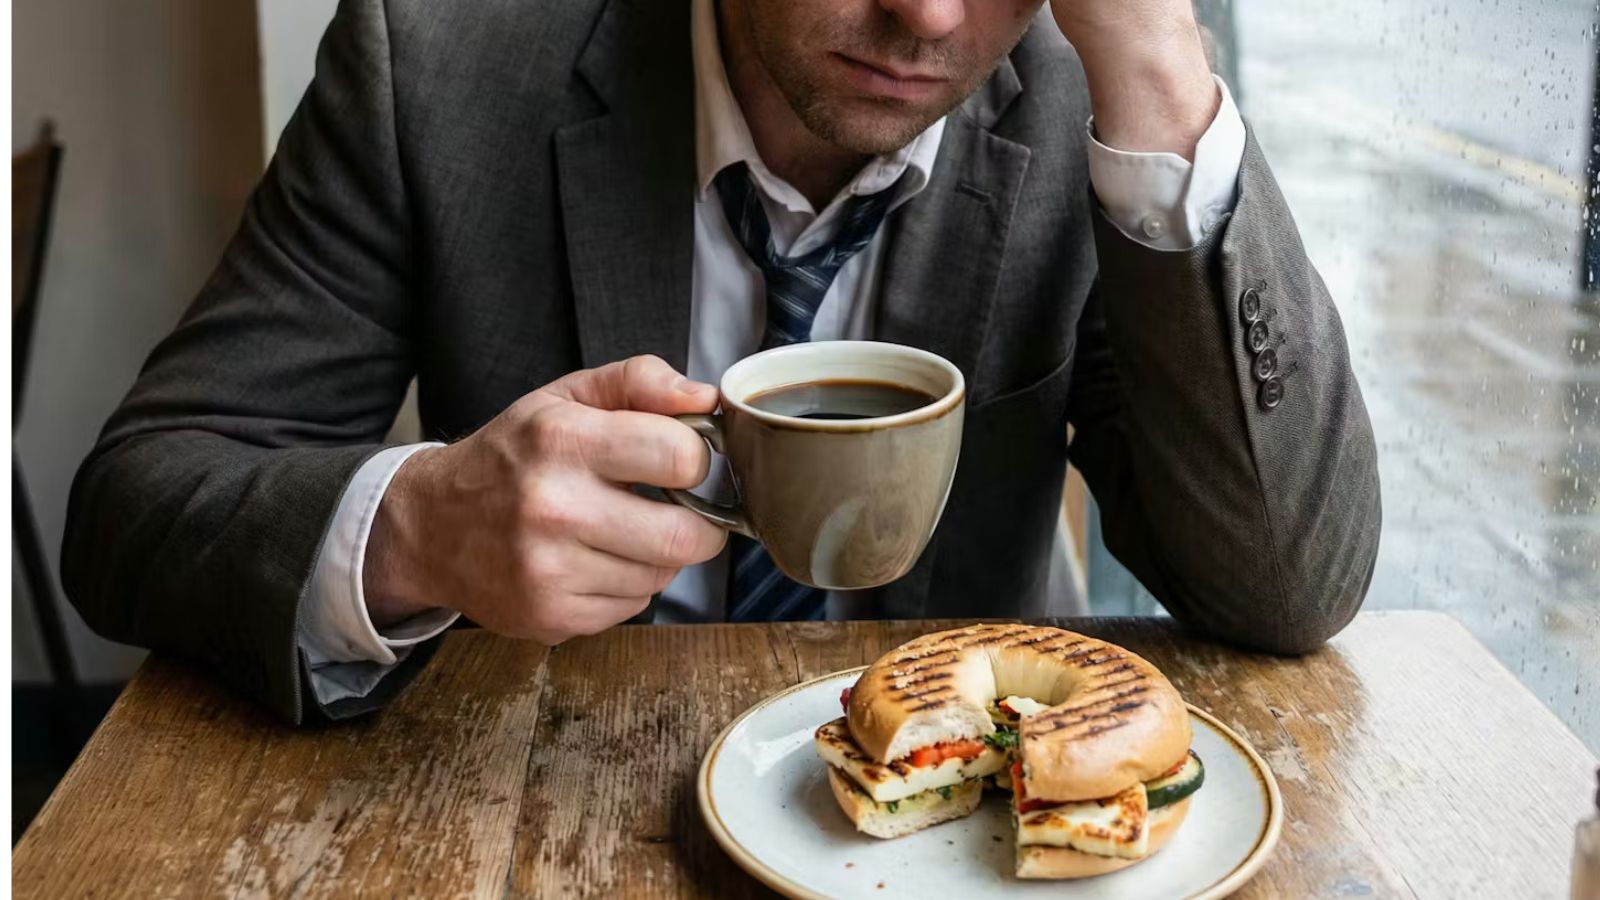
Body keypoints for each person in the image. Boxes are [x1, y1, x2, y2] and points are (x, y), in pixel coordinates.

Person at [62, 0, 1381, 724]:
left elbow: (1288, 589)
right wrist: (415, 531)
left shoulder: (1092, 106)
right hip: (549, 788)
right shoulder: (436, 57)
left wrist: (1160, 65)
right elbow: (132, 505)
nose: (925, 14)